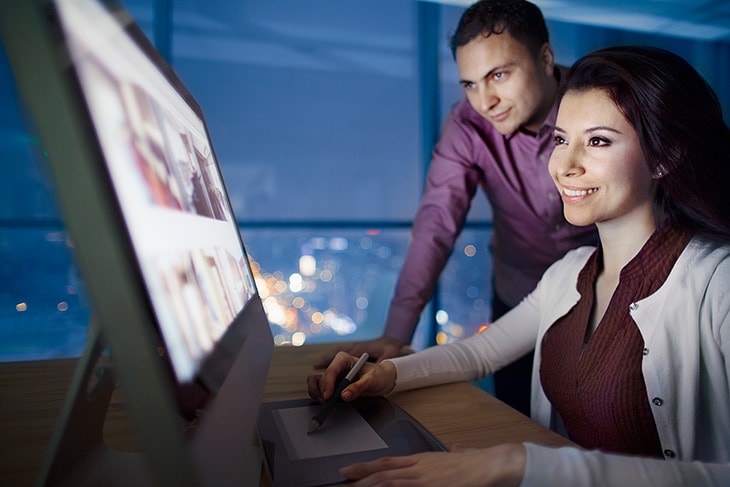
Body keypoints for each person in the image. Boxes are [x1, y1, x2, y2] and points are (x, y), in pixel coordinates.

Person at [308, 45, 730, 486]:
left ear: (665, 156)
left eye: (598, 141)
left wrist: (521, 464)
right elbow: (480, 351)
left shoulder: (717, 282)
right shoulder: (570, 271)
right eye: (562, 140)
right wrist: (386, 374)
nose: (564, 166)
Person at [315, 0, 597, 416]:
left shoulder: (600, 104)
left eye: (498, 75)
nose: (486, 101)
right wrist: (396, 335)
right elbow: (436, 224)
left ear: (546, 58)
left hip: (607, 290)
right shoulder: (467, 125)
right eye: (470, 84)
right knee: (516, 418)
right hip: (518, 294)